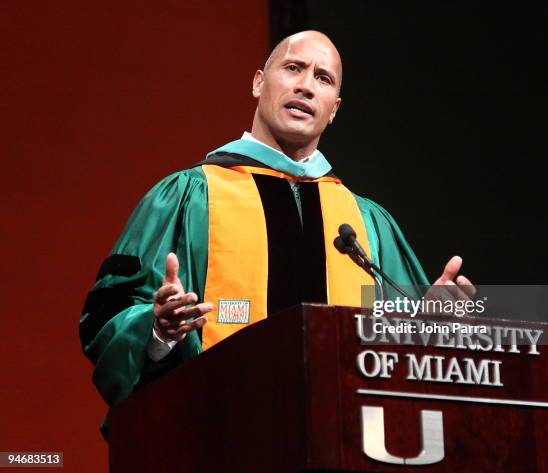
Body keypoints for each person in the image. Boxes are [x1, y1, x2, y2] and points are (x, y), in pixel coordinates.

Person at [80, 31, 473, 415]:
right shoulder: (187, 197)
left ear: (333, 108)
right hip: (215, 434)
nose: (306, 86)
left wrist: (426, 324)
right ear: (258, 83)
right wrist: (158, 329)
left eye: (323, 79)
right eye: (293, 68)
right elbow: (107, 319)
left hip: (345, 438)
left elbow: (399, 363)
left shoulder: (366, 224)